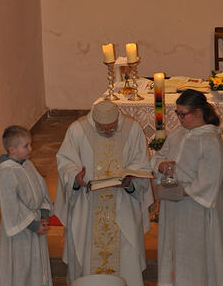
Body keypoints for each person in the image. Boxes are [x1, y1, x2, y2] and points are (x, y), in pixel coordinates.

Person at [54, 100, 154, 286]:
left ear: (118, 120)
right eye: (103, 129)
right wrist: (75, 177)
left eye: (112, 128)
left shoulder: (132, 129)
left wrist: (130, 182)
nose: (108, 132)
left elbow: (141, 164)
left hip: (123, 204)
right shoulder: (77, 130)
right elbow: (64, 162)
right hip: (88, 204)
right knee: (86, 252)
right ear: (94, 122)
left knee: (126, 256)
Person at [151, 89, 223, 285]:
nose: (179, 118)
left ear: (198, 112)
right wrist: (161, 165)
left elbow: (209, 181)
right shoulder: (178, 134)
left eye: (182, 114)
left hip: (195, 210)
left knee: (195, 259)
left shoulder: (211, 141)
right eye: (177, 113)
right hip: (174, 206)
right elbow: (158, 157)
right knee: (173, 253)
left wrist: (180, 191)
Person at [0, 125, 53, 286]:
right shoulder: (6, 172)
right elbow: (11, 205)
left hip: (36, 225)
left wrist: (44, 216)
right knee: (22, 271)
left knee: (37, 268)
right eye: (26, 146)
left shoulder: (27, 165)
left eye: (30, 144)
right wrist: (34, 226)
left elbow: (42, 190)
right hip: (21, 231)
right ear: (12, 149)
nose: (30, 149)